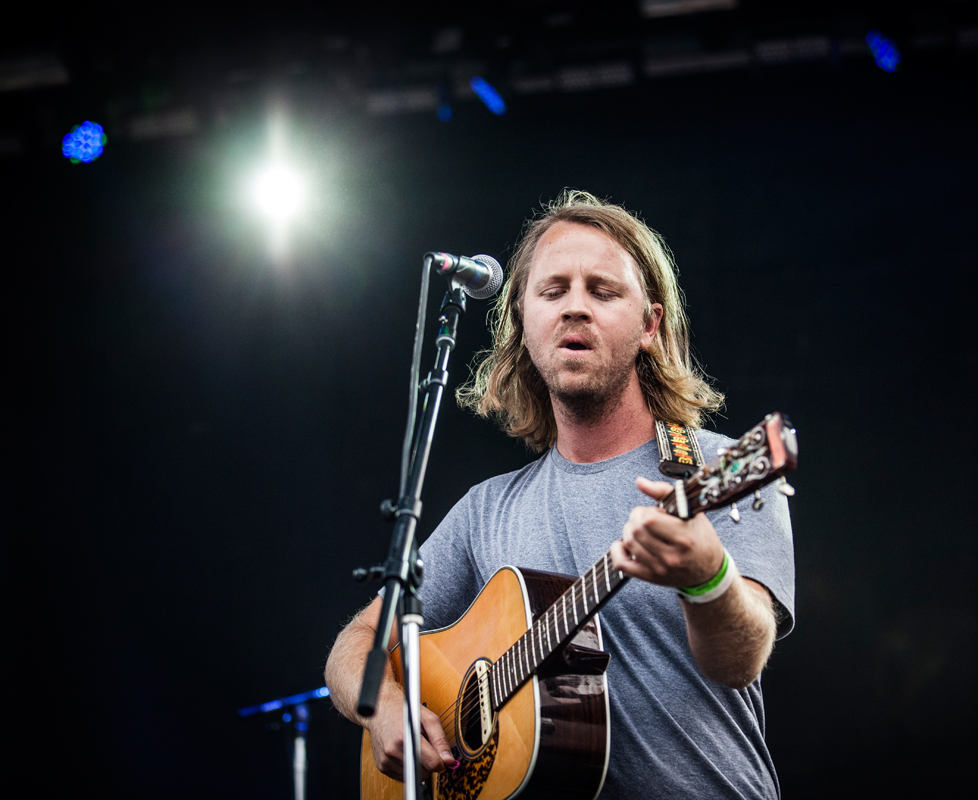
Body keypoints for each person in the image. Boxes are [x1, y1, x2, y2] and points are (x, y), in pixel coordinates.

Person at [325, 190, 795, 799]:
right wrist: (382, 705)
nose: (576, 308)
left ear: (650, 325)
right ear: (523, 321)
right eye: (553, 291)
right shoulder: (485, 511)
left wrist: (706, 576)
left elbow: (741, 658)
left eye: (603, 291)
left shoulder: (714, 468)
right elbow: (354, 644)